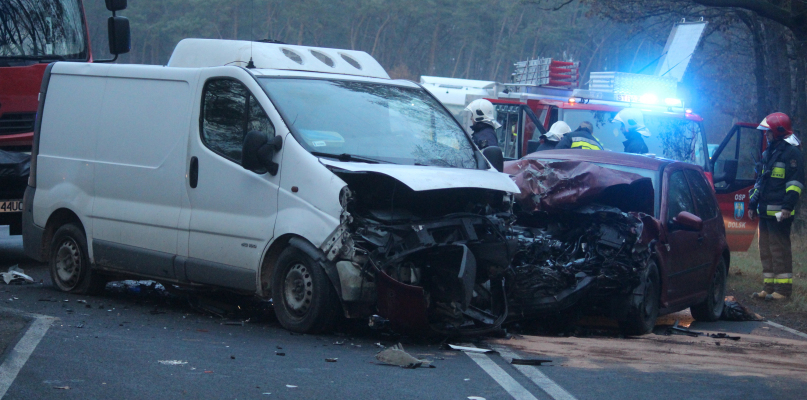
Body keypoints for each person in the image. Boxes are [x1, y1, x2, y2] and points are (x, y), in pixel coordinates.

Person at [749, 112, 804, 301]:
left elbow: (795, 183)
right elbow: (761, 183)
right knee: (765, 250)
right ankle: (768, 288)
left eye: (769, 132)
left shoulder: (792, 153)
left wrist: (788, 206)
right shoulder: (768, 153)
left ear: (779, 132)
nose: (766, 135)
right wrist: (752, 204)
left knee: (779, 250)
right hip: (764, 211)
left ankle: (783, 291)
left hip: (781, 212)